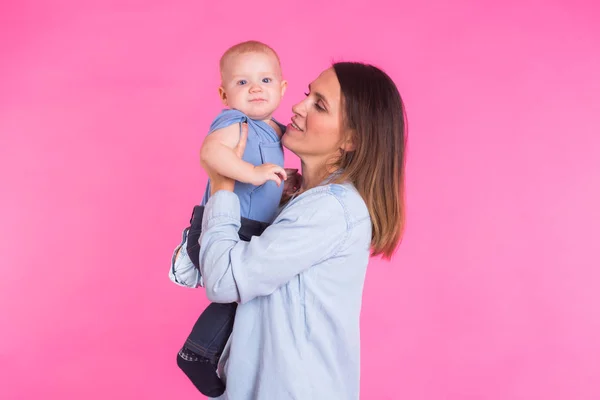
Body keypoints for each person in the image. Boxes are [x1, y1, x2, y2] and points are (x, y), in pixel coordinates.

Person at [193, 61, 407, 399]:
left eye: (318, 104)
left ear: (351, 139)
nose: (297, 105)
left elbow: (223, 281)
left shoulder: (329, 209)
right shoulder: (301, 200)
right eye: (308, 94)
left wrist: (223, 185)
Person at [169, 41, 299, 397]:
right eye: (242, 83)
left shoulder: (275, 129)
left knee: (251, 295)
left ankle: (221, 355)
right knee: (238, 292)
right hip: (220, 227)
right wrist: (252, 173)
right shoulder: (234, 120)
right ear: (224, 95)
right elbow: (211, 153)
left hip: (249, 230)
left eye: (266, 80)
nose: (256, 88)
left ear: (282, 88)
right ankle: (196, 353)